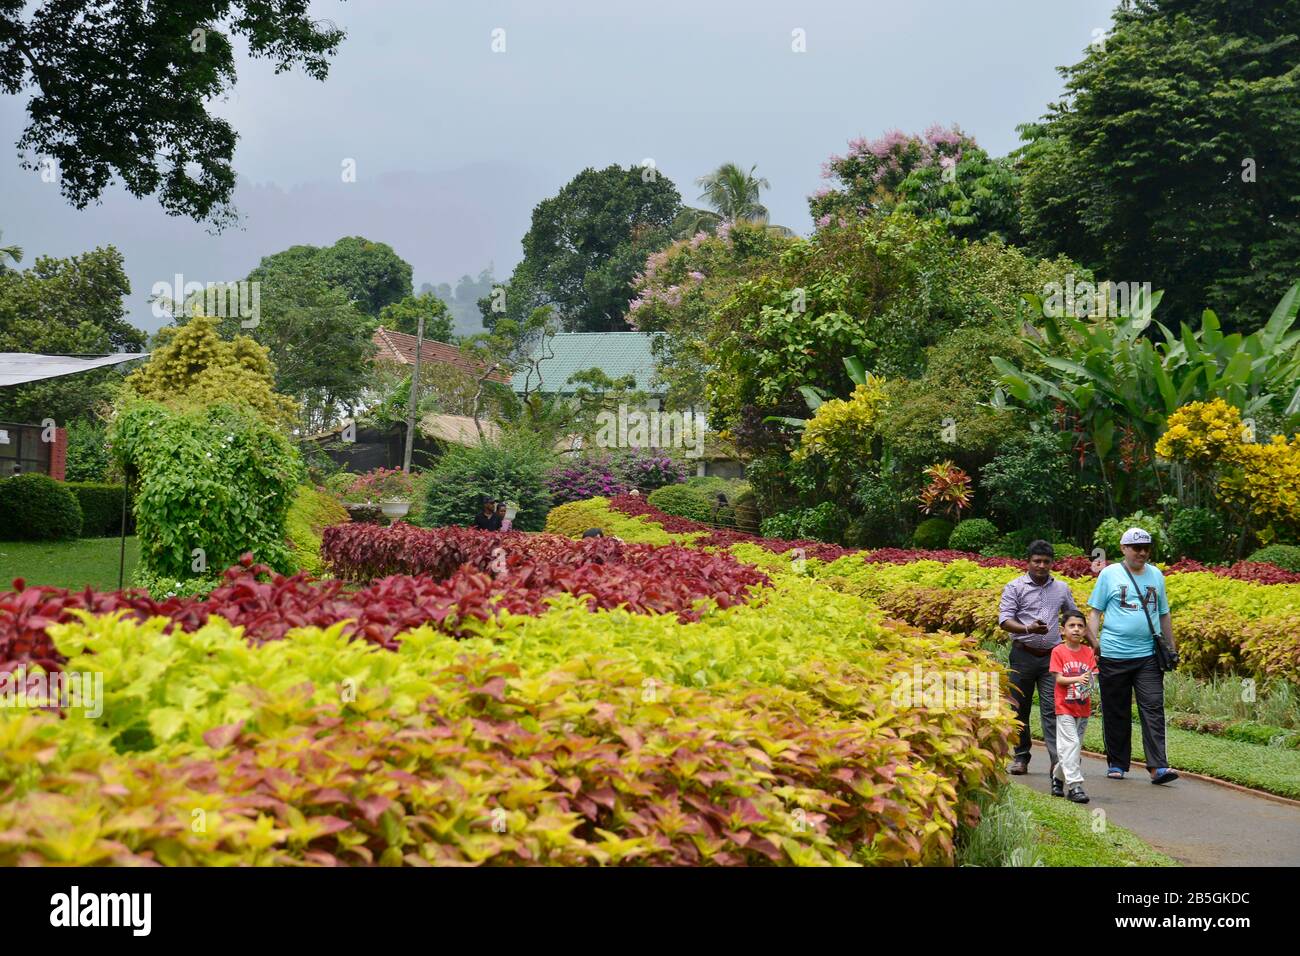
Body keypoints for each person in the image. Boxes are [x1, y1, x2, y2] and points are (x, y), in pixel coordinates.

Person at [1087, 527, 1179, 785]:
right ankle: (1117, 763)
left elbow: (1163, 613)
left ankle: (1158, 766)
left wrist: (1171, 647)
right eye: (1136, 547)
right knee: (1116, 710)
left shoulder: (1156, 575)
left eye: (1146, 548)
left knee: (1152, 707)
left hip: (1148, 656)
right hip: (1114, 654)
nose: (1142, 552)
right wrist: (1094, 645)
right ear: (1124, 548)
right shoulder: (1109, 574)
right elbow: (1095, 612)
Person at [998, 540, 1086, 795]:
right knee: (1019, 708)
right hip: (1023, 654)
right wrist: (1028, 628)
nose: (1041, 566)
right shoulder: (1014, 586)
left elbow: (1073, 617)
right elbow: (1004, 620)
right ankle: (1021, 757)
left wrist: (1091, 644)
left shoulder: (1061, 588)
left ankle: (1056, 761)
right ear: (1028, 562)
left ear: (1052, 563)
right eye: (1037, 561)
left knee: (1053, 709)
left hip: (1052, 657)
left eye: (1046, 562)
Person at [1051, 611, 1096, 803]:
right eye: (1071, 625)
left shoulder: (1088, 652)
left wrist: (1090, 683)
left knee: (1072, 748)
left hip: (1083, 707)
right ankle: (1075, 786)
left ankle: (1057, 778)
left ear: (1085, 630)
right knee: (1071, 745)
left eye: (1080, 626)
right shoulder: (1058, 651)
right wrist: (1078, 679)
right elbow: (1059, 678)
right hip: (1064, 707)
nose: (1076, 629)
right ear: (1063, 630)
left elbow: (1094, 676)